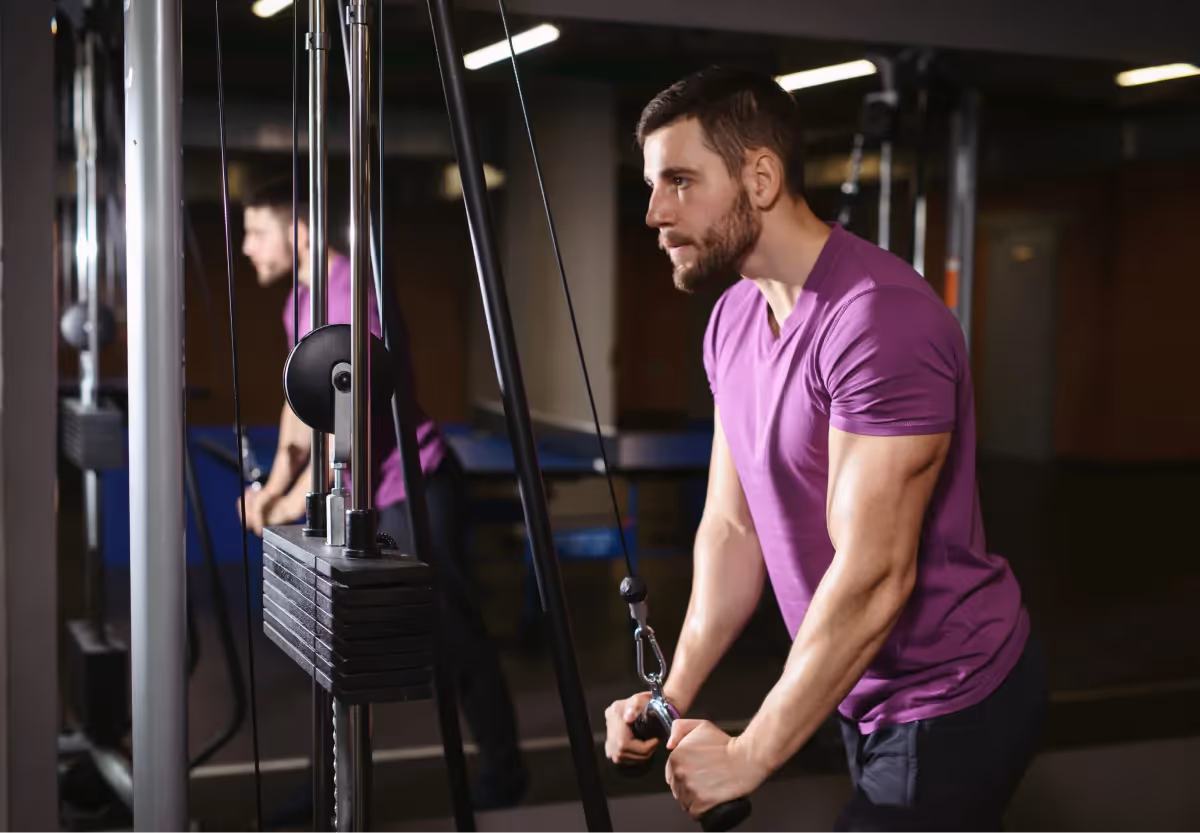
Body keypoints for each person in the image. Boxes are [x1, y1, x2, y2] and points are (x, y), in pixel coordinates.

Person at [604, 67, 1047, 831]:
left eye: (679, 180)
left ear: (762, 177)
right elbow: (733, 529)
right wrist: (669, 695)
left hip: (951, 694)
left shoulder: (880, 321)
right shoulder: (732, 318)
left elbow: (876, 573)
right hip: (851, 681)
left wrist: (751, 754)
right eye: (652, 184)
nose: (653, 212)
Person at [238, 181, 528, 818]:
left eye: (257, 232)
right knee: (340, 639)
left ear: (302, 233)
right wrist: (274, 487)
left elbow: (351, 416)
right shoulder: (300, 303)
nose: (246, 246)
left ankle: (505, 772)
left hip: (410, 486)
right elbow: (302, 406)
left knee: (454, 637)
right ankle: (331, 786)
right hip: (352, 487)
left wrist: (293, 505)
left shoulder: (350, 295)